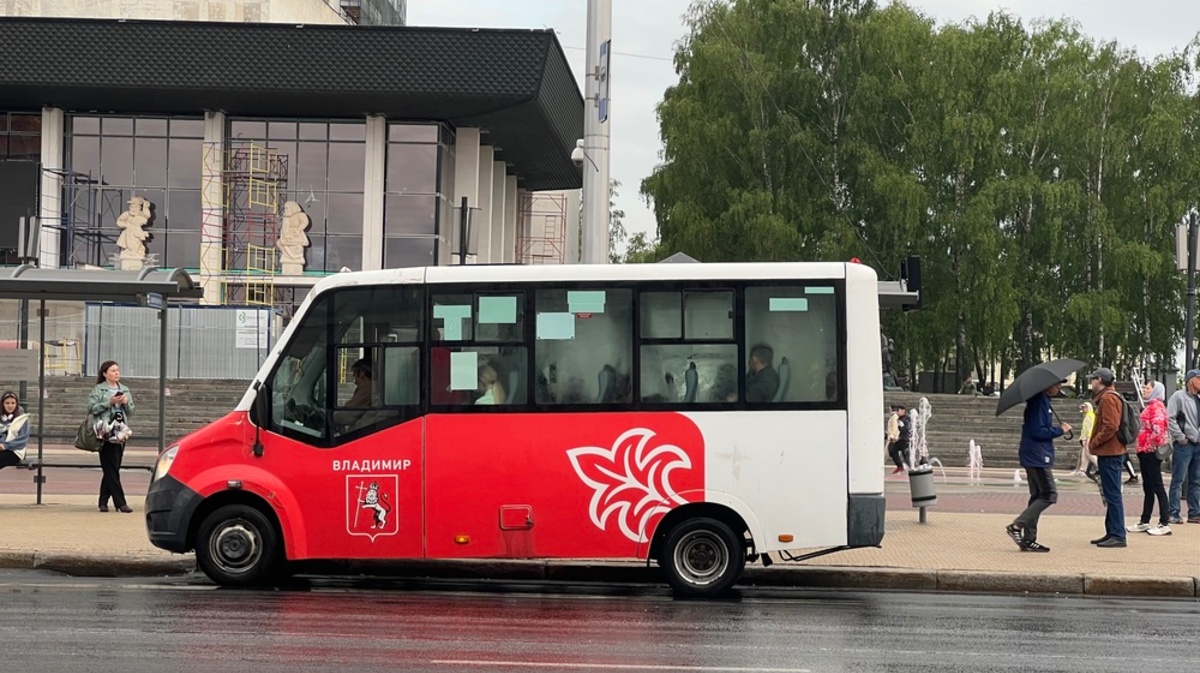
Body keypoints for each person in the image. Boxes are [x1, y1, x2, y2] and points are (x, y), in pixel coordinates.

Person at [1005, 381, 1070, 552]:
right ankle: (1017, 525)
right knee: (1049, 494)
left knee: (1037, 496)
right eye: (1055, 384)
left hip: (1034, 454)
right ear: (1046, 385)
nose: (1058, 388)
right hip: (1037, 455)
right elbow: (1038, 431)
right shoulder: (1039, 402)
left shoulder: (1042, 401)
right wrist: (1060, 430)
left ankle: (1029, 539)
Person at [1087, 367, 1127, 548]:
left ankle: (1118, 534)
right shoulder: (1108, 396)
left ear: (1100, 380)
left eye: (1093, 379)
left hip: (1110, 452)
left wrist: (1095, 442)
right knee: (1111, 494)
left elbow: (1111, 425)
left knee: (1113, 495)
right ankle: (1112, 532)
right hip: (1111, 452)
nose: (1091, 382)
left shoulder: (1109, 398)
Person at [89, 360, 135, 514]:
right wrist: (108, 402)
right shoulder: (98, 390)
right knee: (110, 467)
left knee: (112, 468)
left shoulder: (125, 389)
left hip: (120, 431)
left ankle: (103, 501)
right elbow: (92, 408)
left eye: (117, 370)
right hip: (105, 431)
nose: (116, 373)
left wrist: (126, 403)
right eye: (113, 370)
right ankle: (120, 502)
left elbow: (131, 411)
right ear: (104, 374)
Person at [1129, 381, 1171, 536]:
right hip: (1144, 451)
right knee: (1148, 486)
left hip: (1149, 452)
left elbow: (1159, 429)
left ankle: (1164, 522)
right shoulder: (1150, 406)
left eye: (1147, 388)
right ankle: (1145, 521)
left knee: (1157, 485)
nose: (1144, 390)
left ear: (1156, 391)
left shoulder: (1156, 407)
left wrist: (1151, 444)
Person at [1165, 369, 1200, 525]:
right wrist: (1181, 438)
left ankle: (1194, 513)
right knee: (1178, 479)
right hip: (1184, 445)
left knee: (1196, 480)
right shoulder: (1178, 396)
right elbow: (1170, 418)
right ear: (1191, 380)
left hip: (1198, 445)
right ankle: (1174, 512)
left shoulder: (1199, 398)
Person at [0, 392, 29, 470]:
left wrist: (5, 446)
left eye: (13, 403)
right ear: (3, 404)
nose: (10, 406)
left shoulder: (22, 419)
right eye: (7, 403)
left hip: (15, 451)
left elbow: (22, 439)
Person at [1073, 402, 1098, 478]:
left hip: (1088, 437)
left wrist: (1088, 438)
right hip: (1085, 437)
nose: (1083, 409)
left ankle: (1099, 465)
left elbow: (1090, 429)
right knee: (1084, 454)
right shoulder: (1088, 416)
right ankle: (1082, 470)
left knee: (1089, 453)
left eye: (1084, 407)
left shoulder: (1090, 416)